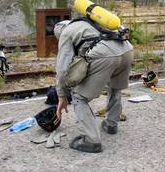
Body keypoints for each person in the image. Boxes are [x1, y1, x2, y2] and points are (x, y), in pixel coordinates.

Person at [54, 18, 133, 153]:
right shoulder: (92, 21)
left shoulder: (66, 33)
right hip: (126, 50)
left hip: (105, 55)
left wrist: (61, 95)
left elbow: (62, 69)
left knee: (78, 96)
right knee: (115, 87)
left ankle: (91, 141)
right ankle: (111, 124)